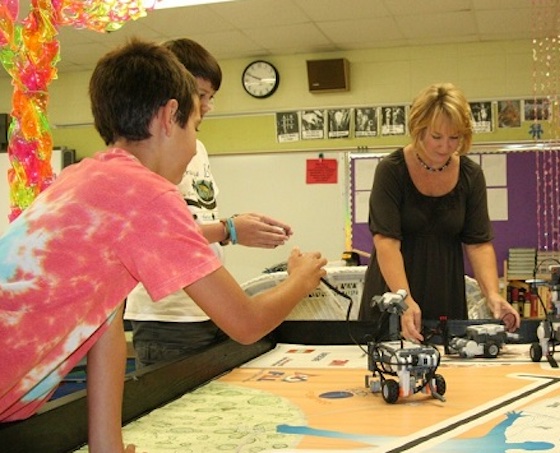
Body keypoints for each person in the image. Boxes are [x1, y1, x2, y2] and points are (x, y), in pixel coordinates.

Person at [0, 39, 327, 452]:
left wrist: (109, 447)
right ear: (170, 116)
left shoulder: (82, 179)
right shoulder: (146, 194)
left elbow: (106, 323)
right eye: (195, 127)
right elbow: (246, 323)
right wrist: (300, 278)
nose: (193, 148)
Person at [123, 38, 292, 369]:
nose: (206, 106)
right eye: (199, 95)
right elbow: (158, 238)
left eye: (209, 98)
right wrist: (229, 230)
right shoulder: (149, 153)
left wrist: (232, 227)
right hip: (168, 317)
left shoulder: (196, 149)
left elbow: (191, 220)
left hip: (205, 308)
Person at [358, 82, 520, 342]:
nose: (445, 147)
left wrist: (493, 295)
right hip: (394, 294)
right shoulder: (391, 171)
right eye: (436, 137)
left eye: (454, 138)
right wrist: (404, 300)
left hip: (444, 293)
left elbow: (478, 244)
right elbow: (386, 242)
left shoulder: (471, 175)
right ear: (419, 129)